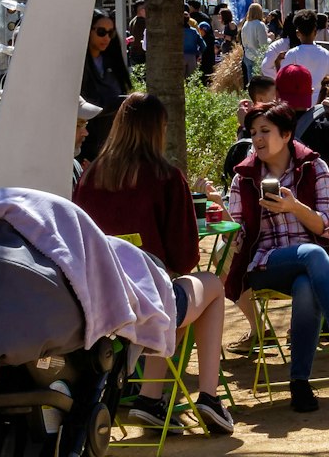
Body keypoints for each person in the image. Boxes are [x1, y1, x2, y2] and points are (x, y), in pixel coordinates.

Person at [72, 94, 233, 435]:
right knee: (209, 288)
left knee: (165, 292)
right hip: (150, 306)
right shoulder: (166, 177)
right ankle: (208, 395)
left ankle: (151, 398)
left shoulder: (89, 178)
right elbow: (185, 258)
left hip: (101, 308)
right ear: (158, 130)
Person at [223, 102, 329, 412]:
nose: (258, 139)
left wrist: (295, 208)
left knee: (307, 283)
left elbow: (328, 226)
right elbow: (238, 236)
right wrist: (224, 217)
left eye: (265, 131)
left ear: (287, 133)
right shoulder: (245, 177)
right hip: (265, 263)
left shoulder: (314, 167)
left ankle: (299, 384)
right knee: (313, 253)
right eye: (253, 133)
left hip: (315, 265)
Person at [79, 10, 132, 162]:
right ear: (88, 31)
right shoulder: (79, 65)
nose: (107, 38)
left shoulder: (113, 63)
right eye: (101, 32)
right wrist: (119, 102)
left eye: (111, 33)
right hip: (86, 143)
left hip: (111, 143)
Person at [261, 11, 329, 93]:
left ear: (298, 33)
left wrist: (277, 63)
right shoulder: (326, 54)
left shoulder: (292, 54)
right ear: (315, 32)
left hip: (298, 101)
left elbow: (283, 80)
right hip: (320, 100)